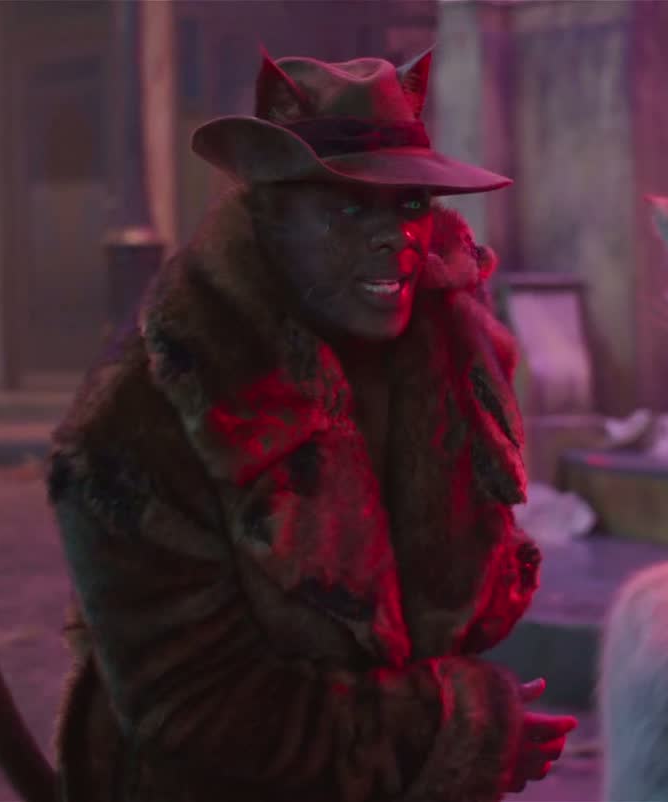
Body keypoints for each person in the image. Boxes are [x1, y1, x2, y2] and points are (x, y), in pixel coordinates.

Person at [46, 49, 577, 801]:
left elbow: (457, 605)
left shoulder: (444, 360)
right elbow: (192, 705)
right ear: (269, 219)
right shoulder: (143, 420)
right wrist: (453, 728)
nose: (396, 237)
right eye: (349, 207)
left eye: (410, 206)